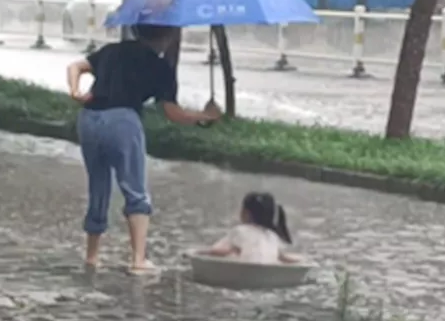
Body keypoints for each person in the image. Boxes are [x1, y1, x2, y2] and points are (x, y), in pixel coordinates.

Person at [66, 23, 222, 274]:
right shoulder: (161, 67)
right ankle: (138, 260)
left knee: (98, 185)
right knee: (134, 188)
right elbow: (172, 113)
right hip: (123, 121)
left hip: (89, 119)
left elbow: (75, 66)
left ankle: (92, 256)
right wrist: (205, 116)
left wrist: (75, 91)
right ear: (169, 35)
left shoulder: (112, 50)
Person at [201, 192, 300, 264]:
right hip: (268, 274)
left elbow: (215, 251)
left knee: (233, 254)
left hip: (244, 273)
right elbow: (283, 257)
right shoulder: (273, 236)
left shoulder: (239, 231)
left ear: (246, 213)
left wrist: (198, 252)